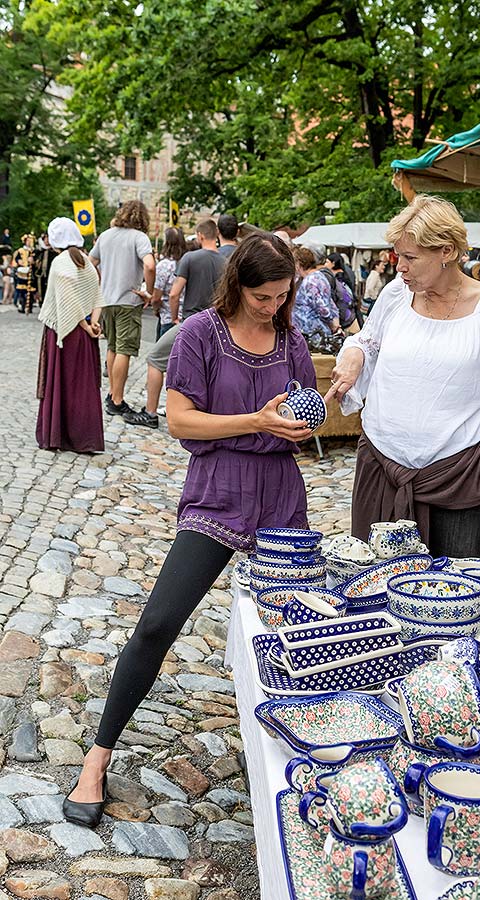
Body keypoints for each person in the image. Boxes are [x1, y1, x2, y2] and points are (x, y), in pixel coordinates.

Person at [63, 232, 317, 827]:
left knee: (298, 637)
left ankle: (303, 770)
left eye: (282, 297)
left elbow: (306, 405)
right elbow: (180, 420)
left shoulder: (290, 338)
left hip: (281, 493)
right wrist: (254, 420)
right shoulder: (201, 333)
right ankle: (96, 761)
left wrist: (308, 421)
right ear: (237, 285)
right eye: (263, 297)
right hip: (219, 490)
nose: (273, 307)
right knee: (156, 624)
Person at [326, 195, 480, 560]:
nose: (399, 267)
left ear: (446, 250)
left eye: (410, 258)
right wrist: (353, 355)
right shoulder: (396, 294)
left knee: (454, 600)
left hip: (459, 480)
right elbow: (368, 340)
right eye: (398, 256)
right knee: (373, 596)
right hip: (382, 468)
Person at [122, 217, 226, 428]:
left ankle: (150, 412)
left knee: (155, 359)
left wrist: (175, 316)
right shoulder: (226, 262)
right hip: (218, 323)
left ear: (200, 236)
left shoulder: (190, 258)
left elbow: (174, 293)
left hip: (192, 322)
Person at [35, 217, 105, 453]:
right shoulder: (86, 261)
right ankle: (84, 436)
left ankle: (59, 435)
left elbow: (69, 302)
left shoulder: (61, 263)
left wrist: (86, 325)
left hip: (65, 334)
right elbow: (98, 295)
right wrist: (94, 324)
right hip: (84, 335)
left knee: (63, 382)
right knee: (81, 385)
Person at [89, 200, 155, 417]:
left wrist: (101, 283)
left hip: (107, 300)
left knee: (112, 347)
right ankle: (117, 400)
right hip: (128, 301)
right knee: (124, 350)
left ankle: (111, 394)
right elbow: (150, 264)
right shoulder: (139, 237)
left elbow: (91, 262)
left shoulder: (106, 235)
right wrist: (149, 290)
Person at [292, 246, 340, 339]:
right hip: (312, 332)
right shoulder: (318, 276)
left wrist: (332, 324)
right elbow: (330, 302)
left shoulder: (311, 281)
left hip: (313, 333)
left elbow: (323, 308)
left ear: (299, 263)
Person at [149, 227, 187, 339]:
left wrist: (156, 309)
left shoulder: (164, 265)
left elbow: (156, 297)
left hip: (168, 317)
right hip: (187, 316)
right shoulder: (188, 262)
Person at [12, 234, 36, 314]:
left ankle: (29, 306)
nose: (29, 243)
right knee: (22, 290)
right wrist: (20, 262)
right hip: (22, 272)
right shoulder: (20, 250)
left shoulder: (34, 251)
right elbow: (17, 259)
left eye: (30, 241)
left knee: (31, 290)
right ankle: (22, 305)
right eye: (28, 241)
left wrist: (33, 261)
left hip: (31, 273)